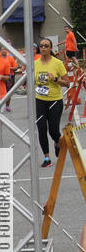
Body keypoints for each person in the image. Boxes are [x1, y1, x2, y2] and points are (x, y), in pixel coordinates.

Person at [34, 37, 71, 167]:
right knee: (41, 128)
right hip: (40, 100)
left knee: (54, 130)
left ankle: (57, 142)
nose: (43, 48)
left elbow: (67, 83)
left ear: (50, 49)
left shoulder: (57, 63)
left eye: (46, 46)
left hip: (55, 101)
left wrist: (55, 79)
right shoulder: (35, 64)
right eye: (41, 46)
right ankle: (46, 158)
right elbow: (32, 81)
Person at [1, 45, 16, 113]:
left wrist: (8, 68)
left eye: (5, 49)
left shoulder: (10, 58)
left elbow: (15, 67)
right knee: (0, 91)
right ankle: (0, 105)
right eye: (2, 49)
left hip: (10, 76)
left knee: (9, 92)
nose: (3, 51)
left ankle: (7, 106)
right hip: (1, 76)